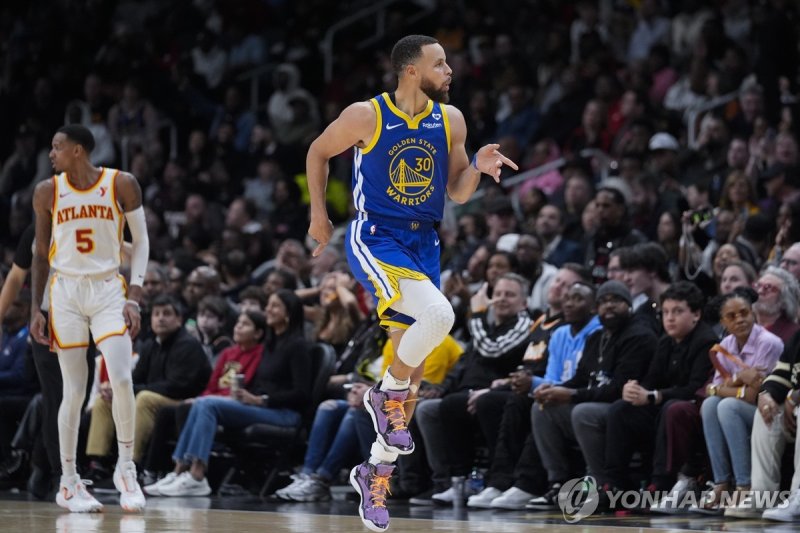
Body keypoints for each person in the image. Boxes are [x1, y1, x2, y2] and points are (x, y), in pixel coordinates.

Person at [305, 34, 518, 532]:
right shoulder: (367, 115)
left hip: (425, 242)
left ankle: (375, 472)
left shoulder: (452, 119)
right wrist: (319, 214)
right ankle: (383, 395)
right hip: (376, 235)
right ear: (410, 71)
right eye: (439, 63)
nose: (449, 70)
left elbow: (457, 191)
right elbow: (317, 152)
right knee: (439, 315)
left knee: (413, 376)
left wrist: (477, 168)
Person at [30, 124, 149, 513]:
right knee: (74, 391)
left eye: (57, 147)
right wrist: (37, 309)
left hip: (108, 289)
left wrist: (135, 296)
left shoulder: (121, 183)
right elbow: (39, 253)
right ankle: (68, 483)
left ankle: (126, 469)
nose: (52, 154)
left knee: (122, 378)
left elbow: (142, 241)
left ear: (78, 150)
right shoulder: (47, 191)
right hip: (64, 292)